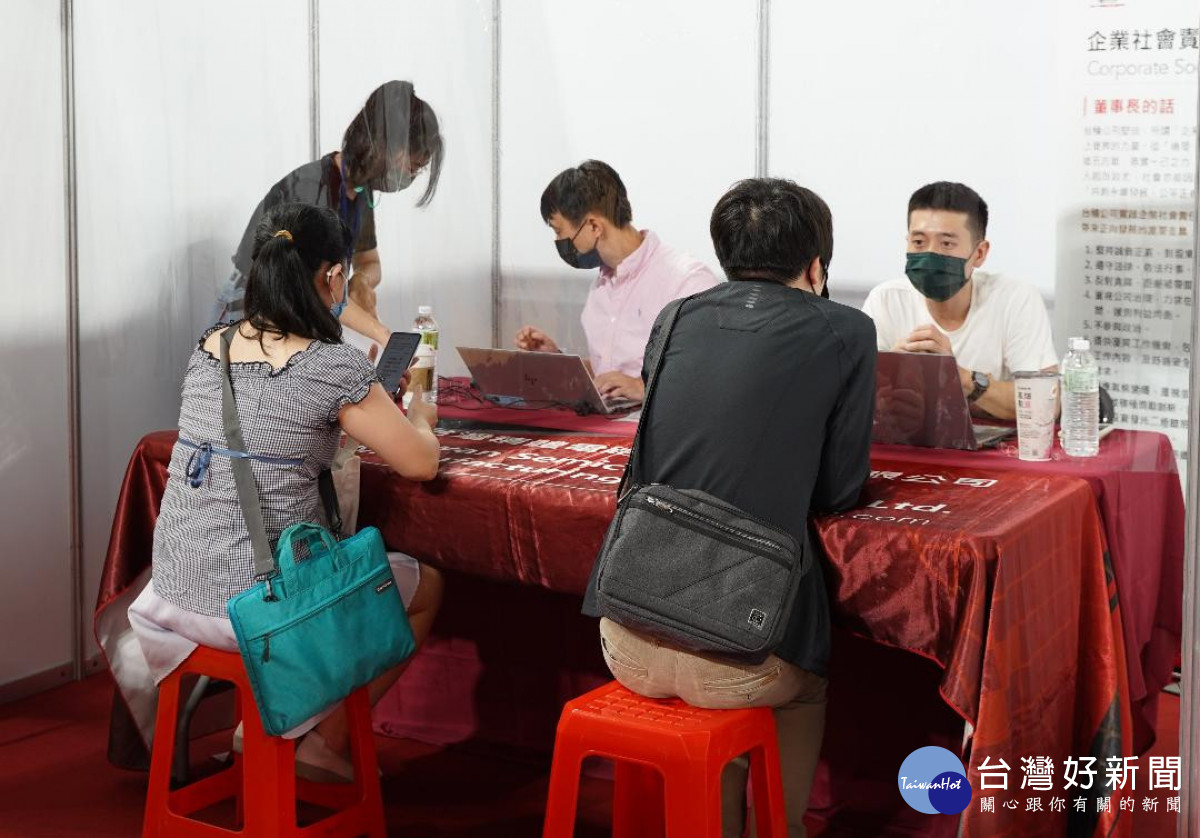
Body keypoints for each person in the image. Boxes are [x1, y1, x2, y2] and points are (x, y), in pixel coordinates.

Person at [582, 178, 877, 838]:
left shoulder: (678, 315)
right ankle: (780, 828)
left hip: (624, 633)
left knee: (740, 669)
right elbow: (837, 490)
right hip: (744, 655)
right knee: (804, 684)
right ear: (816, 265)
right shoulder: (847, 330)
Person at [131, 202, 443, 782]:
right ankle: (322, 742)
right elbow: (419, 463)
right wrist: (421, 413)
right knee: (426, 589)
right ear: (331, 278)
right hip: (254, 612)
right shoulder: (331, 367)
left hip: (171, 596)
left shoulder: (210, 347)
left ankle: (273, 724)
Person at [215, 80, 444, 348]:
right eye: (412, 166)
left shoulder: (359, 191)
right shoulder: (312, 191)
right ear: (384, 147)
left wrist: (361, 280)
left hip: (291, 317)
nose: (411, 176)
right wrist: (383, 335)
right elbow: (316, 289)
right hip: (252, 314)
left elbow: (369, 261)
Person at [514, 160, 719, 402]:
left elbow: (713, 372)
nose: (560, 242)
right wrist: (559, 361)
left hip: (657, 432)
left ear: (593, 226)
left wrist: (644, 387)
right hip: (603, 427)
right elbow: (609, 376)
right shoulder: (603, 284)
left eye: (559, 231)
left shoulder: (686, 280)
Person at [862, 181, 1058, 421]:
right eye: (919, 242)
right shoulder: (886, 300)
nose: (930, 255)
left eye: (946, 244)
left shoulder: (1015, 299)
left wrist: (960, 378)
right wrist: (893, 372)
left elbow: (1046, 404)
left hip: (993, 454)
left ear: (979, 253)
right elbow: (853, 403)